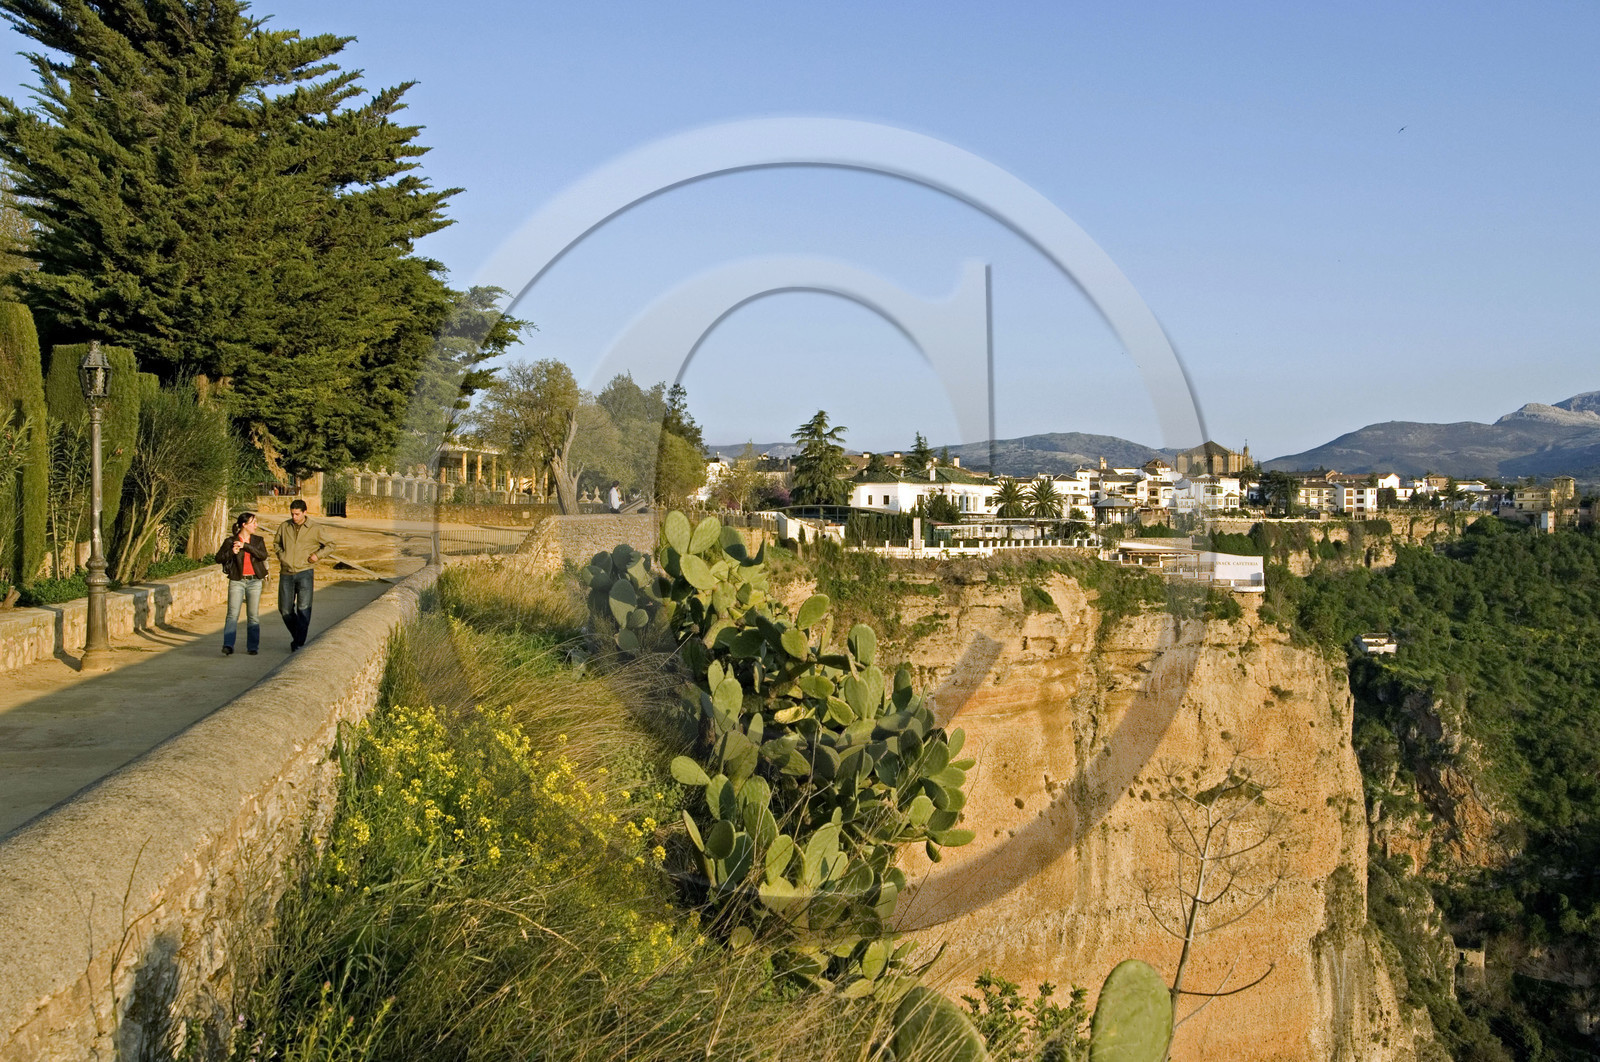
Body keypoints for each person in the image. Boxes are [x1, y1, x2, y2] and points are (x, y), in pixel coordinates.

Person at [273, 499, 335, 651]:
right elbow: (276, 544)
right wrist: (282, 556)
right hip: (286, 572)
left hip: (305, 572)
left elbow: (331, 545)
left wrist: (317, 555)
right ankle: (299, 637)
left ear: (305, 512)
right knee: (285, 610)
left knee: (304, 608)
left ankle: (299, 644)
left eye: (297, 514)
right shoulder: (284, 526)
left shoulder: (315, 528)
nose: (294, 517)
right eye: (292, 514)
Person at [215, 511, 267, 656]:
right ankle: (228, 645)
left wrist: (246, 546)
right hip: (237, 580)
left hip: (254, 581)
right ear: (244, 525)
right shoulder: (230, 541)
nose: (256, 525)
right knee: (232, 614)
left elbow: (263, 555)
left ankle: (252, 646)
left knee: (253, 615)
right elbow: (218, 558)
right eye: (253, 523)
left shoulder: (258, 540)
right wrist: (232, 551)